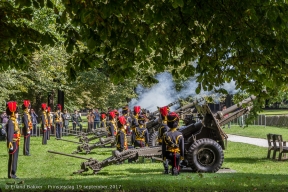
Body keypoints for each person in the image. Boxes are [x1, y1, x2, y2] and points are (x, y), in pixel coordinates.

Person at [6, 101, 20, 179]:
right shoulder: (11, 121)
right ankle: (11, 174)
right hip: (13, 142)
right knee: (12, 158)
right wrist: (10, 143)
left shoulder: (14, 121)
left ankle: (13, 172)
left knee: (15, 158)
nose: (18, 114)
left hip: (16, 141)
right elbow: (10, 133)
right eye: (17, 113)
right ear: (13, 113)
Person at [158, 106, 170, 172]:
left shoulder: (162, 126)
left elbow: (159, 135)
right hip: (172, 143)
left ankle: (166, 169)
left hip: (164, 143)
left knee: (165, 156)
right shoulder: (170, 124)